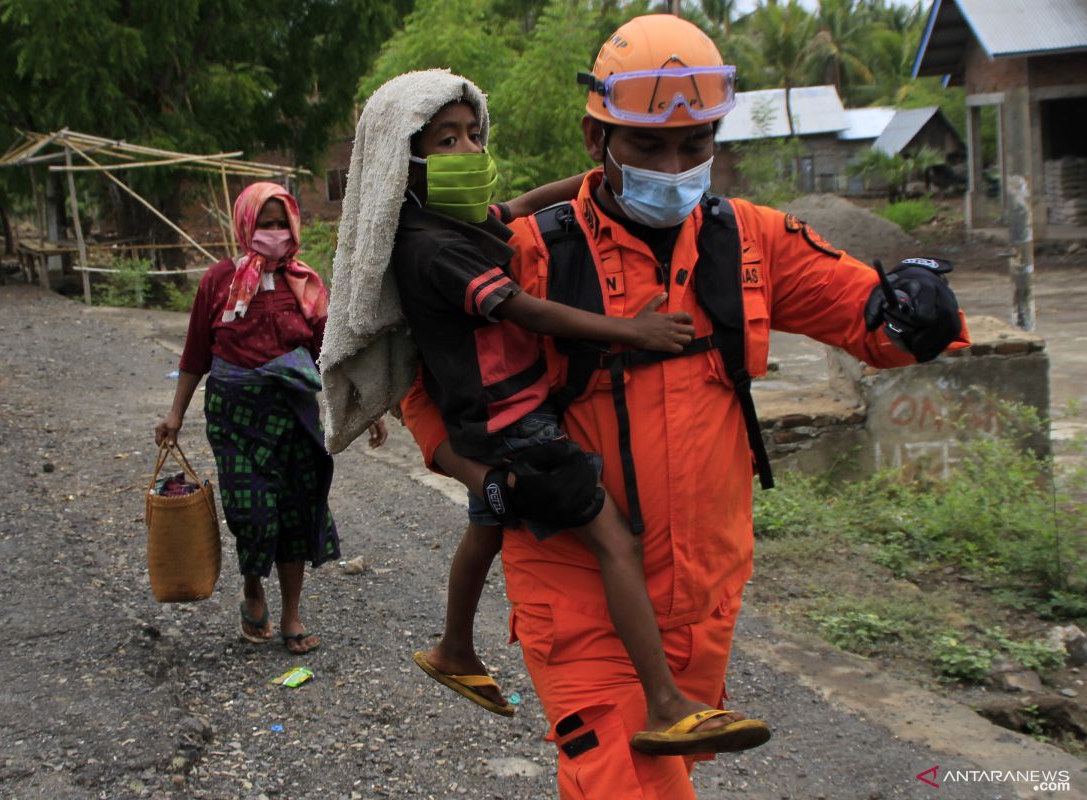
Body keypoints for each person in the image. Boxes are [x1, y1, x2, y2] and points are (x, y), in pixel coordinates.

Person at [399, 14, 968, 798]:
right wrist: (480, 477)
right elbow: (423, 383)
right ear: (598, 140)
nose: (676, 165)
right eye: (649, 147)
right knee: (622, 779)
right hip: (575, 585)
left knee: (669, 770)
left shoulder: (751, 242)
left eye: (695, 145)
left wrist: (919, 311)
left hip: (702, 591)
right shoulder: (530, 252)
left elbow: (869, 319)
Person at [322, 68, 768, 756]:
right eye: (446, 140)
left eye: (473, 133)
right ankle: (666, 702)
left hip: (486, 423)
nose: (470, 150)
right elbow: (523, 309)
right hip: (515, 424)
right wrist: (630, 331)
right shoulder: (433, 249)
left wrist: (599, 184)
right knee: (614, 539)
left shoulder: (453, 223)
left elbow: (524, 203)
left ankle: (453, 648)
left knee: (490, 523)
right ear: (400, 160)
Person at [155, 181, 386, 655]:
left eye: (282, 223)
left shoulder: (305, 283)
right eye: (265, 222)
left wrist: (365, 407)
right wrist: (175, 415)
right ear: (246, 224)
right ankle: (252, 588)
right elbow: (196, 353)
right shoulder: (218, 282)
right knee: (252, 513)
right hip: (235, 417)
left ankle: (292, 613)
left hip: (295, 416)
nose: (275, 232)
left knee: (296, 513)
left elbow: (330, 352)